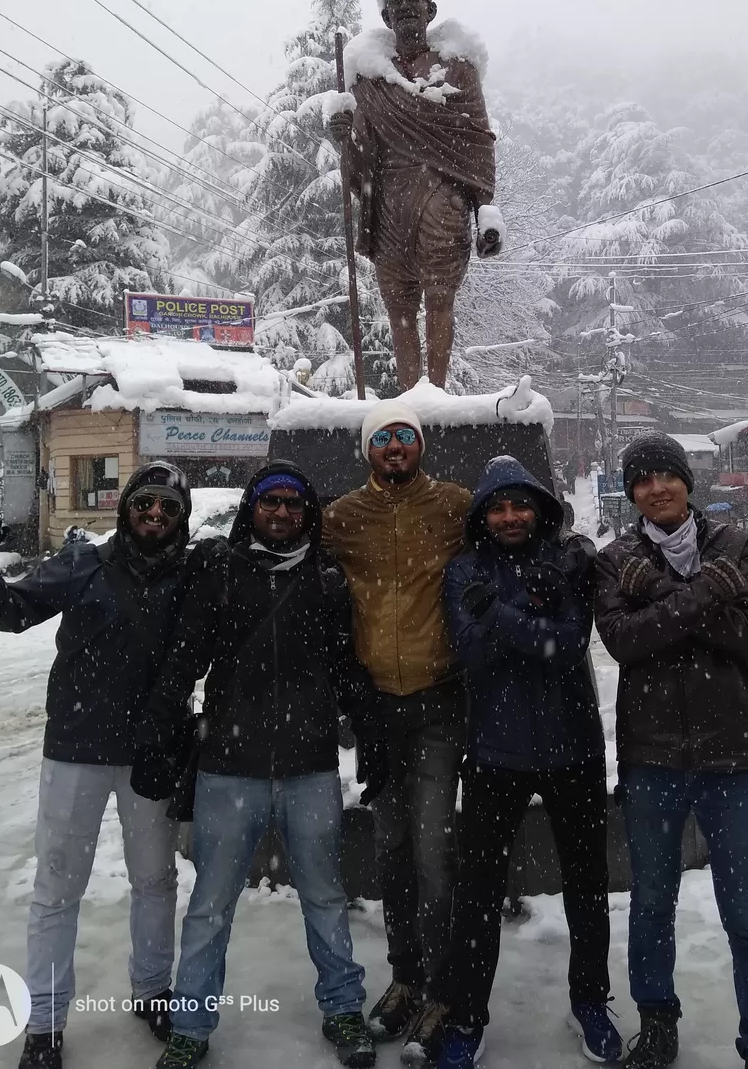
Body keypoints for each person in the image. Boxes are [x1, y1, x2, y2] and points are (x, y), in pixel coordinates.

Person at [136, 462, 388, 1069]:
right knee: (211, 903)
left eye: (293, 505)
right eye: (270, 502)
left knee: (325, 897)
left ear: (308, 513)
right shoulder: (219, 571)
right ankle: (191, 1025)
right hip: (230, 764)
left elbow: (346, 667)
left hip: (309, 766)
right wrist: (156, 725)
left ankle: (343, 1009)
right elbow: (186, 654)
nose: (281, 514)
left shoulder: (327, 580)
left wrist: (373, 734)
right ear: (252, 507)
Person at [0, 463, 204, 1069]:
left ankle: (152, 991)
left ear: (181, 518)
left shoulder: (195, 574)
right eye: (145, 505)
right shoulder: (85, 564)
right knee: (56, 889)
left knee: (155, 881)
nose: (155, 516)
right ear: (127, 510)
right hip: (76, 749)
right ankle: (43, 1024)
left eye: (167, 509)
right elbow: (6, 612)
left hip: (151, 752)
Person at [595, 433, 748, 1069]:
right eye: (642, 481)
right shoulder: (614, 558)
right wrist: (705, 593)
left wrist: (662, 596)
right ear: (631, 494)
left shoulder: (736, 547)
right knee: (651, 904)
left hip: (731, 758)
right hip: (652, 759)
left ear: (687, 481)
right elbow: (625, 642)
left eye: (666, 476)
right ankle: (657, 1027)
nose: (656, 489)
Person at [438, 456, 621, 1067]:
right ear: (482, 516)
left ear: (540, 508)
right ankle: (466, 1017)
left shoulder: (568, 561)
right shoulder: (463, 569)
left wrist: (499, 613)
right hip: (494, 752)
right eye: (497, 506)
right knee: (478, 895)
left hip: (574, 749)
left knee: (587, 888)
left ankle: (591, 1001)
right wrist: (525, 618)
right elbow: (471, 655)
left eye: (520, 505)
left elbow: (566, 647)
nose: (510, 516)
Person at [322, 400, 471, 1066]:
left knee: (436, 852)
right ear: (367, 450)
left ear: (420, 448)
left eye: (405, 438)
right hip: (378, 709)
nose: (394, 448)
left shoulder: (457, 506)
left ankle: (441, 988)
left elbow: (515, 531)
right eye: (383, 439)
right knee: (391, 850)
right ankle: (405, 976)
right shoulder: (343, 517)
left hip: (439, 702)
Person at [329, 0, 497, 389]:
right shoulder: (371, 81)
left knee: (440, 299)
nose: (405, 8)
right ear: (386, 15)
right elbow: (363, 160)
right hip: (388, 202)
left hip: (441, 196)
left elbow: (478, 141)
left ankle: (435, 396)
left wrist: (485, 212)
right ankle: (409, 398)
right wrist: (342, 138)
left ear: (430, 8)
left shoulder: (458, 70)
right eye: (396, 2)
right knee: (399, 307)